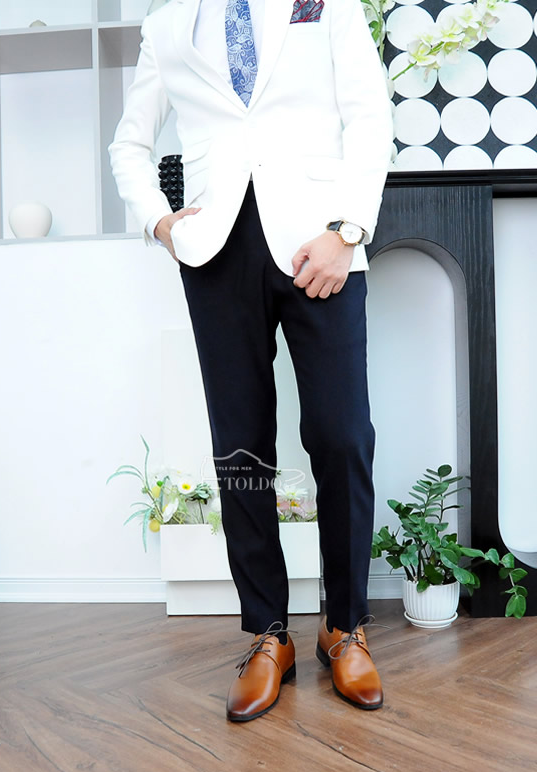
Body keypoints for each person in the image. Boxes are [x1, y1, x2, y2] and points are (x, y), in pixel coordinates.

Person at [109, 0, 394, 722]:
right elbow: (128, 143)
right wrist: (161, 223)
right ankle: (269, 633)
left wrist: (347, 231)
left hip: (320, 246)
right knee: (241, 445)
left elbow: (369, 116)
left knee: (341, 435)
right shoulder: (166, 24)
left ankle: (344, 626)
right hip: (215, 252)